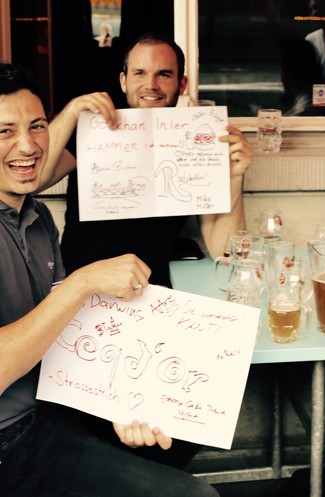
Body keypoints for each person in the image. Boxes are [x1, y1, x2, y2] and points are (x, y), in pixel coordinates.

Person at [0, 62, 218, 497]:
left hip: (52, 410)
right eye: (5, 131)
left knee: (196, 412)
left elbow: (67, 338)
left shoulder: (37, 217)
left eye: (37, 126)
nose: (28, 145)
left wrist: (118, 398)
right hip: (11, 439)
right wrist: (82, 283)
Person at [41, 32, 252, 288]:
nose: (150, 84)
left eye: (163, 74)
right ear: (124, 81)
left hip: (153, 293)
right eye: (139, 73)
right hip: (81, 289)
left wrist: (235, 177)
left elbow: (223, 252)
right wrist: (71, 111)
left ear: (181, 84)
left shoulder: (195, 142)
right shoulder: (93, 133)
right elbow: (36, 178)